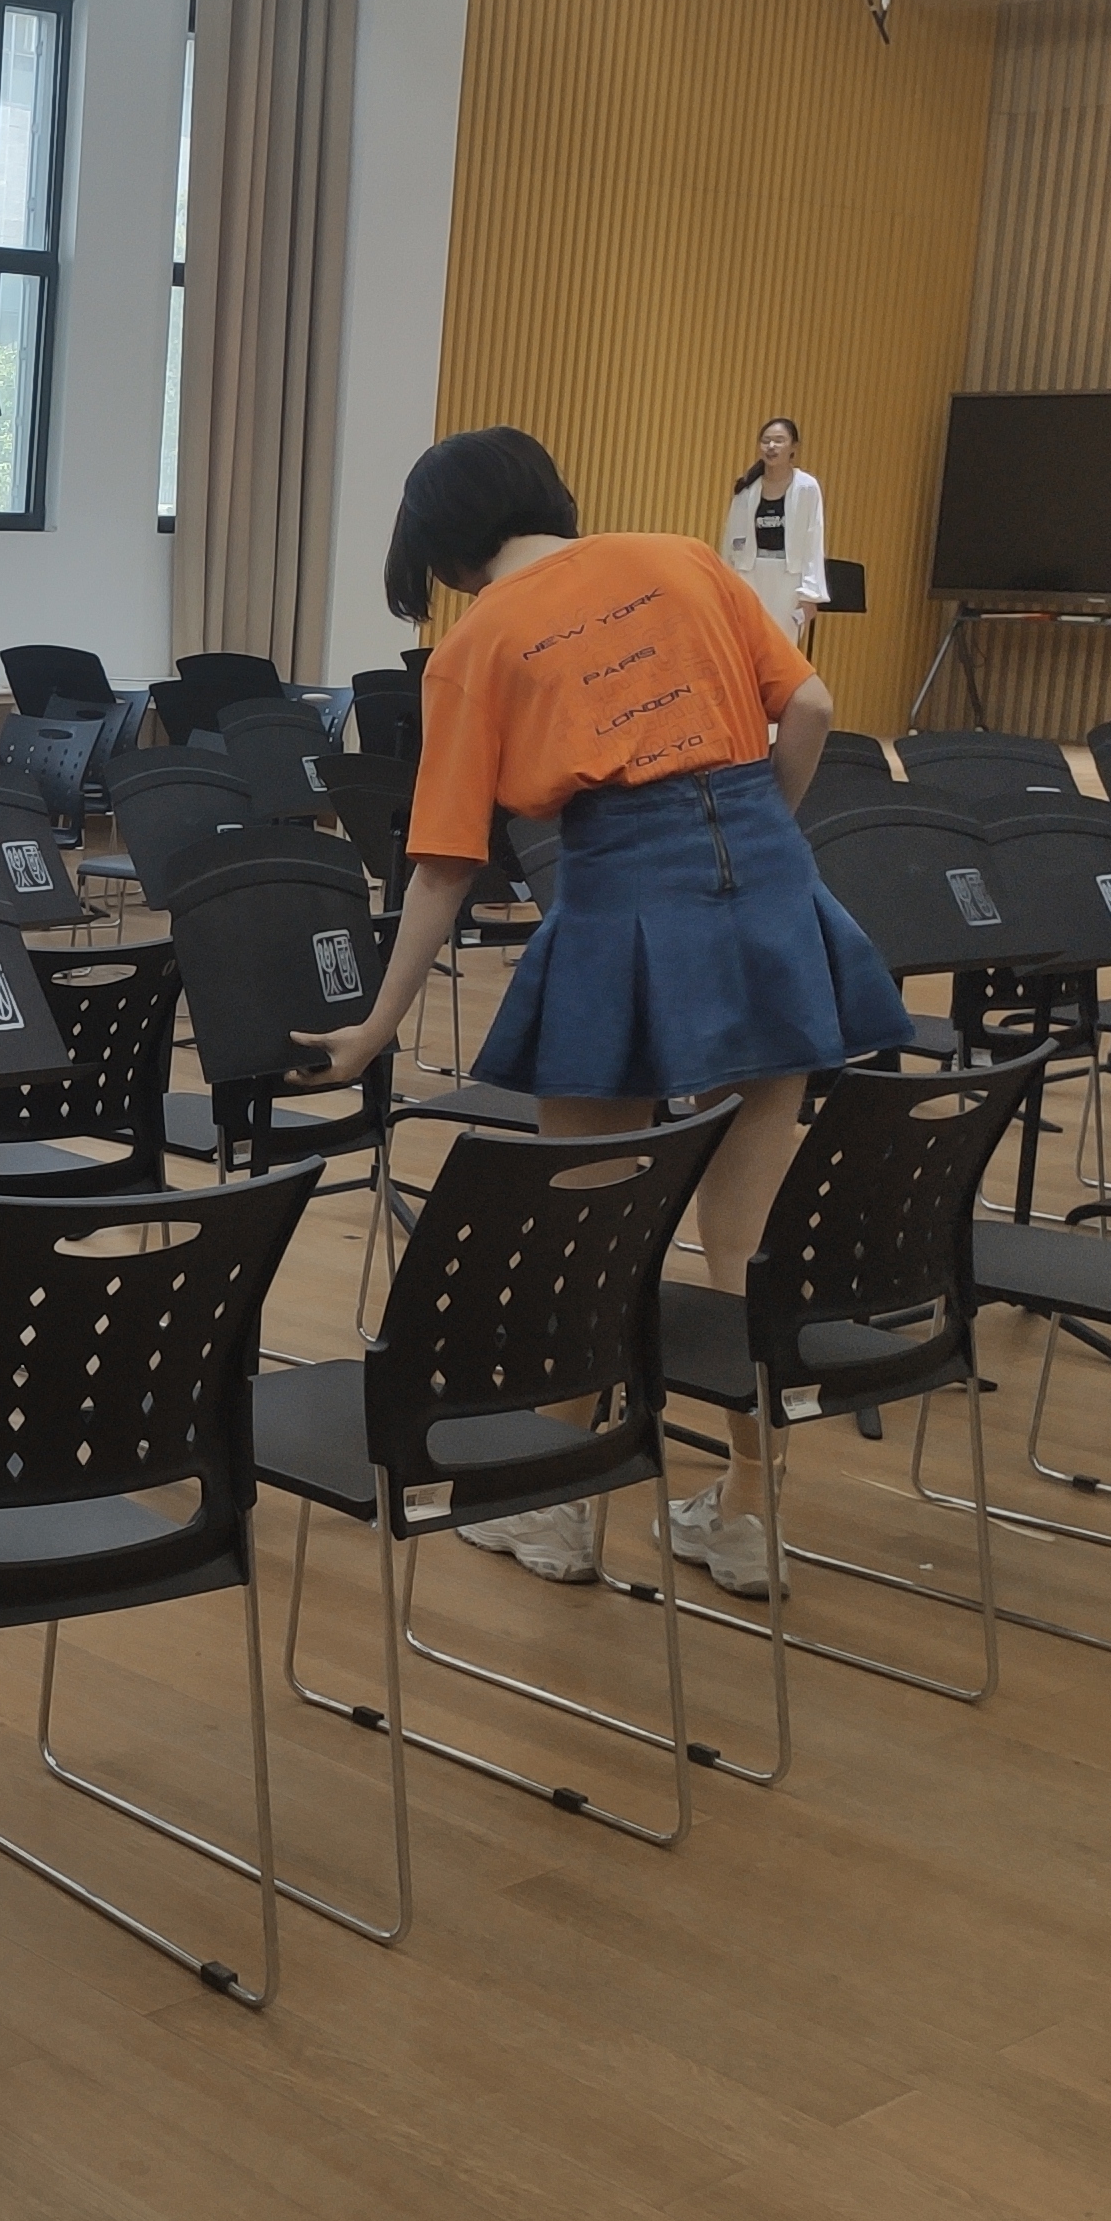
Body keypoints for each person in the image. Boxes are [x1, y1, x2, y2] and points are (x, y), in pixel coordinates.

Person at [291, 427, 910, 1598]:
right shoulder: (683, 555)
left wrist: (374, 1028)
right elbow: (814, 705)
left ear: (444, 548)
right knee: (743, 1233)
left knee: (589, 1223)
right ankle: (746, 1515)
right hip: (770, 892)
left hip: (620, 904)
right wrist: (763, 842)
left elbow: (442, 868)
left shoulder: (474, 643)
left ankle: (558, 1505)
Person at [715, 415, 829, 645]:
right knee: (745, 646)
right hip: (749, 576)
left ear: (793, 447)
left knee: (781, 648)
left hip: (788, 581)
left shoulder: (807, 488)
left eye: (779, 440)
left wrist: (810, 594)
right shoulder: (746, 490)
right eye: (766, 441)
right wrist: (725, 584)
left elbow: (813, 540)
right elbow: (730, 542)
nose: (771, 446)